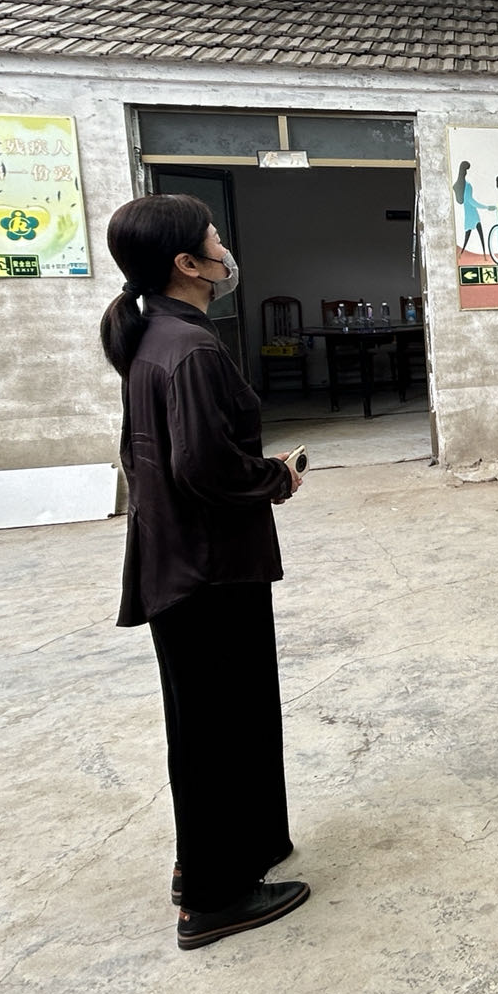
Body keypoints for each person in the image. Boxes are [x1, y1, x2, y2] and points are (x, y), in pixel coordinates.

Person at [99, 193, 309, 950]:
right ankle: (215, 901)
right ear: (188, 264)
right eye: (215, 240)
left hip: (182, 562)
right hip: (209, 570)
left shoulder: (155, 336)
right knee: (220, 729)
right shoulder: (188, 348)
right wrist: (276, 478)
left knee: (212, 724)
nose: (225, 250)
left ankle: (218, 860)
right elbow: (204, 467)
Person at [452, 160, 488, 257]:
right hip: (473, 213)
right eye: (466, 170)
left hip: (468, 214)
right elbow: (471, 201)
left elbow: (463, 201)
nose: (467, 173)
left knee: (468, 236)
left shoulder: (457, 186)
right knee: (479, 234)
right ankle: (484, 254)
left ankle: (463, 253)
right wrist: (486, 207)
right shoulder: (467, 185)